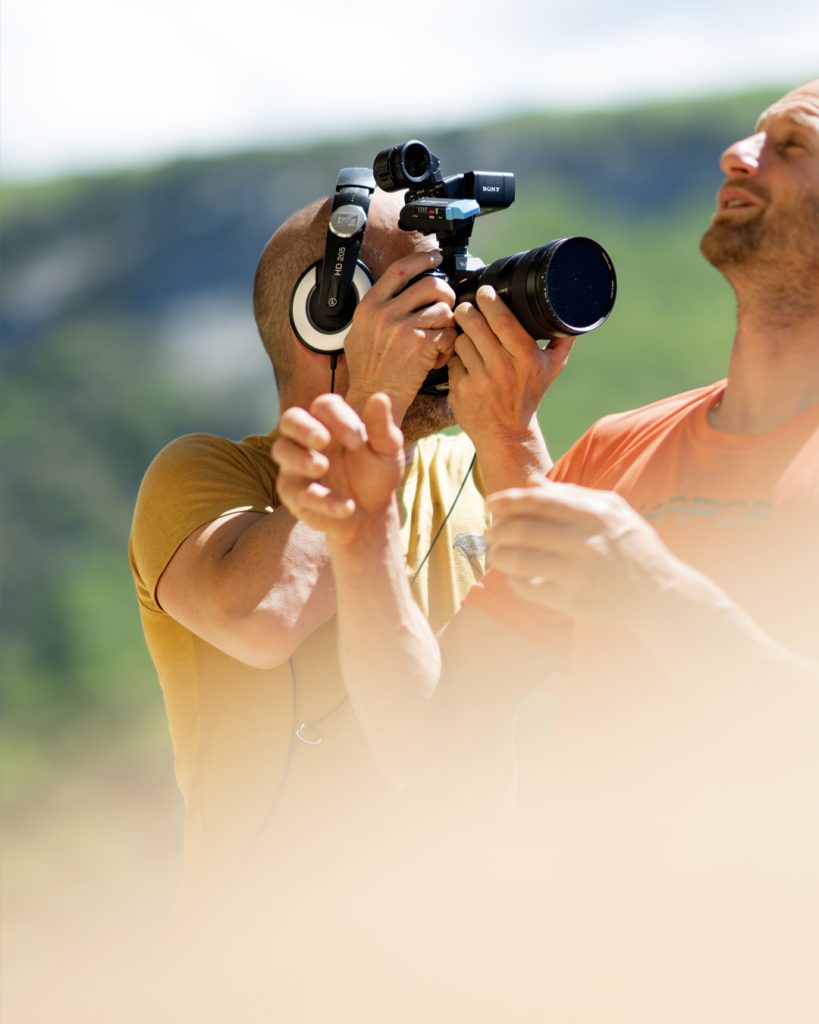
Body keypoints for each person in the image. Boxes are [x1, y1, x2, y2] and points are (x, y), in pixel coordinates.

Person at [274, 82, 819, 1015]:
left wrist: (657, 595)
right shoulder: (614, 450)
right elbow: (432, 741)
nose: (735, 152)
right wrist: (360, 538)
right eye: (748, 134)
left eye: (791, 144)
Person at [128, 184, 568, 905]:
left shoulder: (472, 463)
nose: (456, 325)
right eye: (425, 303)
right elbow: (263, 618)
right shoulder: (204, 474)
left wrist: (514, 430)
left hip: (470, 929)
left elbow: (581, 624)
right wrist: (377, 399)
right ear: (325, 314)